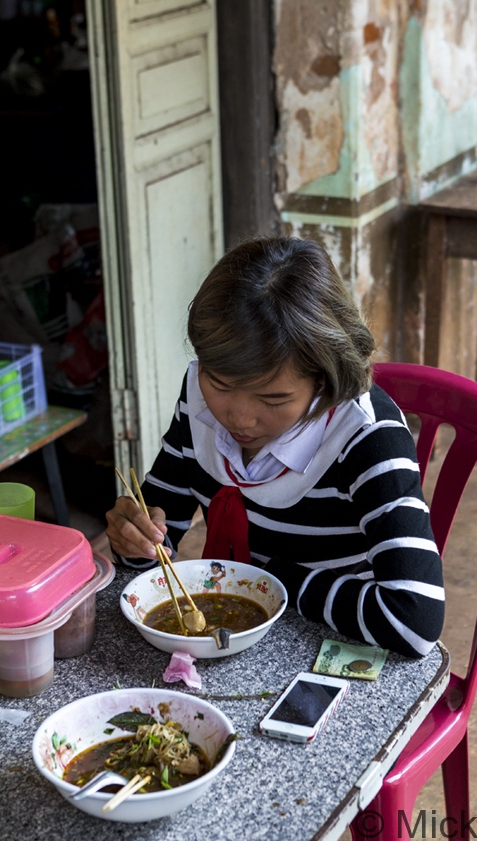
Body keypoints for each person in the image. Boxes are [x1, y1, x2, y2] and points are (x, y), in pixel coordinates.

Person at [105, 236, 444, 658]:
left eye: (273, 399)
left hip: (332, 646)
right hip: (236, 643)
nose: (239, 419)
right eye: (221, 385)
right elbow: (156, 557)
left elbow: (414, 623)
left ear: (324, 377)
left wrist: (271, 580)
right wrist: (133, 540)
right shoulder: (198, 401)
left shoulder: (366, 437)